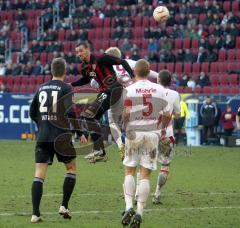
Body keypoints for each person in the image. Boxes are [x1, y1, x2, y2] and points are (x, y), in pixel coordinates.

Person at [29, 58, 87, 223]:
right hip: (61, 136)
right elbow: (70, 113)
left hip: (43, 136)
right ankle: (64, 206)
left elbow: (32, 112)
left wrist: (42, 125)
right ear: (65, 71)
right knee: (71, 168)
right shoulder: (66, 88)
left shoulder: (41, 88)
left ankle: (35, 214)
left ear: (52, 71)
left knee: (39, 174)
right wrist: (80, 133)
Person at [121, 59, 171, 227]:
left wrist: (125, 126)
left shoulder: (129, 90)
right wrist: (162, 129)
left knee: (129, 171)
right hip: (152, 134)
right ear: (149, 72)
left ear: (135, 71)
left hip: (134, 132)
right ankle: (140, 212)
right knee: (145, 174)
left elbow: (126, 113)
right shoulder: (159, 89)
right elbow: (168, 114)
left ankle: (129, 206)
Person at [90, 47, 158, 161]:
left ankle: (121, 146)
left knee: (113, 122)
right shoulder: (130, 62)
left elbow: (93, 83)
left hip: (116, 97)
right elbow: (148, 71)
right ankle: (141, 146)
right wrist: (159, 76)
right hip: (133, 96)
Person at [71, 42, 134, 163]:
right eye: (77, 52)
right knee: (89, 117)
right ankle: (100, 151)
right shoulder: (85, 67)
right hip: (104, 93)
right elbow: (85, 79)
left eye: (80, 51)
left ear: (88, 50)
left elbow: (123, 62)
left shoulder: (103, 58)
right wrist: (71, 84)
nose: (79, 54)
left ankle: (100, 150)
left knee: (89, 115)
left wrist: (132, 76)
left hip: (113, 89)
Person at [152, 70, 180, 204]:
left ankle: (137, 195)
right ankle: (157, 194)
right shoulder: (174, 94)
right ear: (170, 81)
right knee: (165, 165)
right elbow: (178, 114)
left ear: (158, 80)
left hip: (149, 132)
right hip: (166, 134)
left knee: (144, 164)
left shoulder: (150, 91)